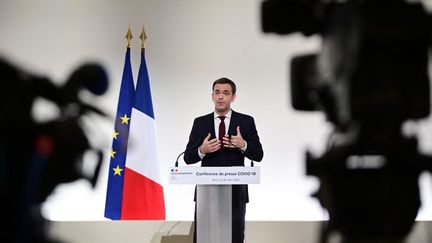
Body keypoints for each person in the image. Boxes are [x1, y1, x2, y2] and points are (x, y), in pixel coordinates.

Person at [184, 77, 264, 243]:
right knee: (204, 238)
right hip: (207, 193)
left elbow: (258, 155)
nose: (221, 96)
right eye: (217, 92)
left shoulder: (246, 121)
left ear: (233, 97)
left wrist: (243, 145)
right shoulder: (200, 123)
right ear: (212, 95)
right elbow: (187, 158)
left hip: (235, 194)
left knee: (234, 238)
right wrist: (201, 150)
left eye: (226, 93)